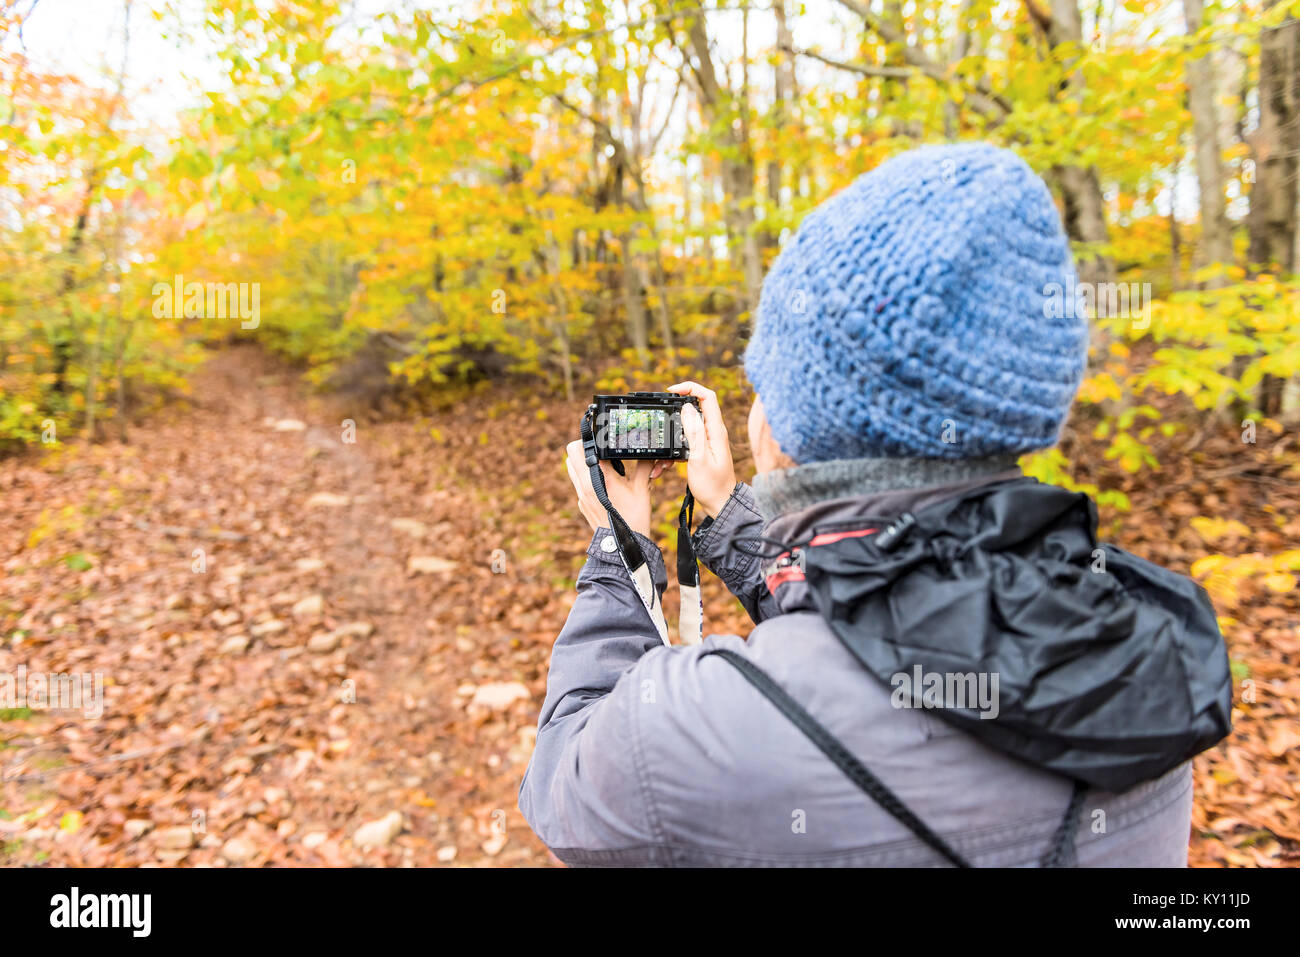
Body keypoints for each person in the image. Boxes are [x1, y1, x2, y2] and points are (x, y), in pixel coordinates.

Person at [518, 142, 1233, 867]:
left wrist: (620, 550)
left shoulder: (703, 729)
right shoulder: (1148, 654)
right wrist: (733, 516)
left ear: (782, 432)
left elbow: (567, 782)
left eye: (768, 384)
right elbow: (899, 612)